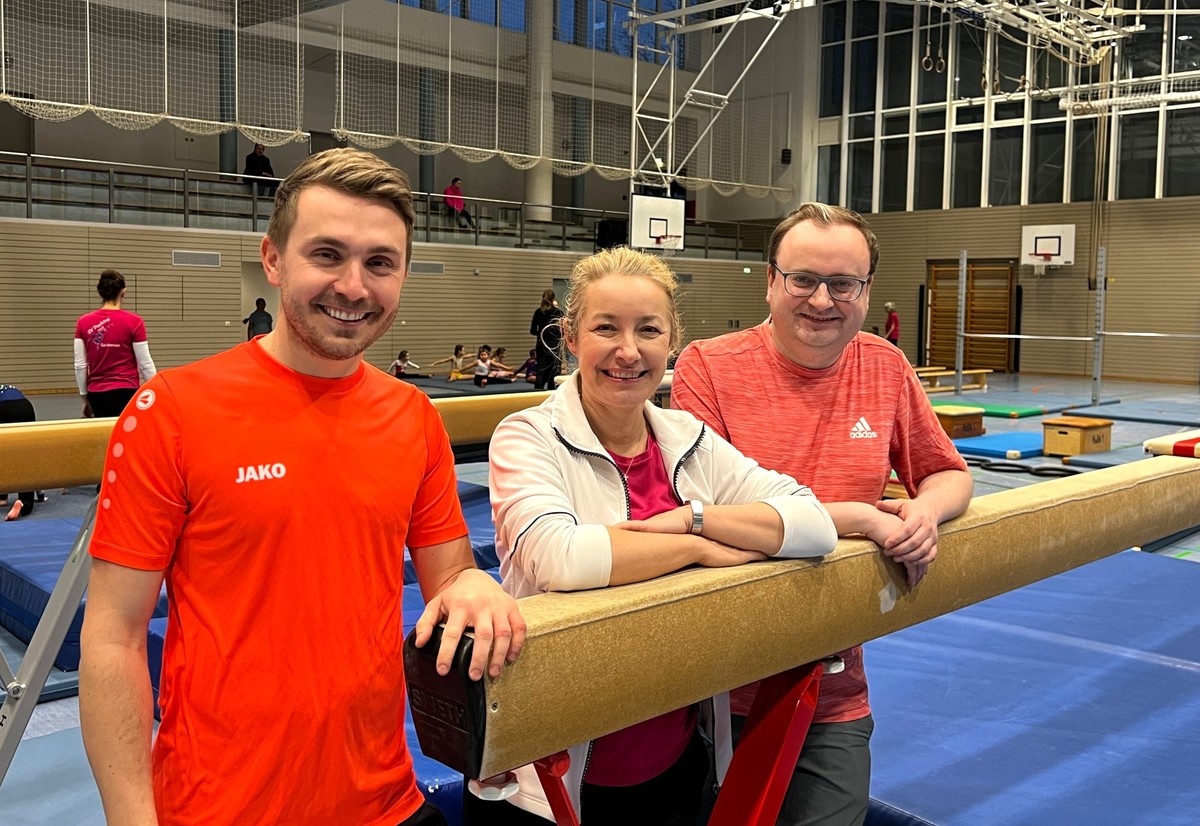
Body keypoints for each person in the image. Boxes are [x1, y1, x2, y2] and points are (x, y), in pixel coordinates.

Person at [79, 148, 526, 826]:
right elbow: (113, 638)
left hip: (386, 801)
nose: (353, 286)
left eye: (380, 263)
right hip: (221, 808)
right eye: (327, 254)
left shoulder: (412, 418)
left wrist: (476, 586)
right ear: (273, 259)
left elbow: (452, 578)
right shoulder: (170, 412)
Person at [473, 247, 900, 826]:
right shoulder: (527, 436)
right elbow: (563, 559)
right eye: (606, 328)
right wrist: (701, 550)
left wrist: (692, 518)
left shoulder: (686, 438)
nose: (629, 351)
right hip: (550, 772)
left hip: (673, 759)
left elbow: (808, 520)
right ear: (571, 338)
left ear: (671, 341)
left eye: (649, 330)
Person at [672, 203, 973, 826]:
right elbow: (712, 516)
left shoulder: (885, 367)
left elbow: (948, 472)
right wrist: (861, 517)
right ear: (770, 281)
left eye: (843, 284)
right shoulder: (710, 366)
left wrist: (925, 510)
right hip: (717, 682)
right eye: (803, 279)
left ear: (867, 291)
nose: (821, 300)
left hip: (833, 684)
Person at [74, 269, 157, 419]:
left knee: (103, 432)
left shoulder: (83, 322)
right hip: (126, 391)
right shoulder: (134, 321)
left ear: (100, 292)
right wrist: (157, 389)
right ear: (123, 292)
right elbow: (145, 364)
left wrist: (84, 396)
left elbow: (80, 364)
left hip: (97, 393)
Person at [0, 383, 38, 520]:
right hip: (26, 406)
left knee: (3, 452)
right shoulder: (10, 389)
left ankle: (2, 497)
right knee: (26, 453)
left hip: (3, 408)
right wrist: (40, 493)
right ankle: (24, 502)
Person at [529, 288, 564, 390]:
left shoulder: (538, 312)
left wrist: (541, 334)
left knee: (541, 370)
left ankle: (537, 392)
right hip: (555, 345)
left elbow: (532, 330)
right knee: (554, 371)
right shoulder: (558, 312)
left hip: (542, 344)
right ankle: (552, 392)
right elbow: (563, 329)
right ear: (553, 298)